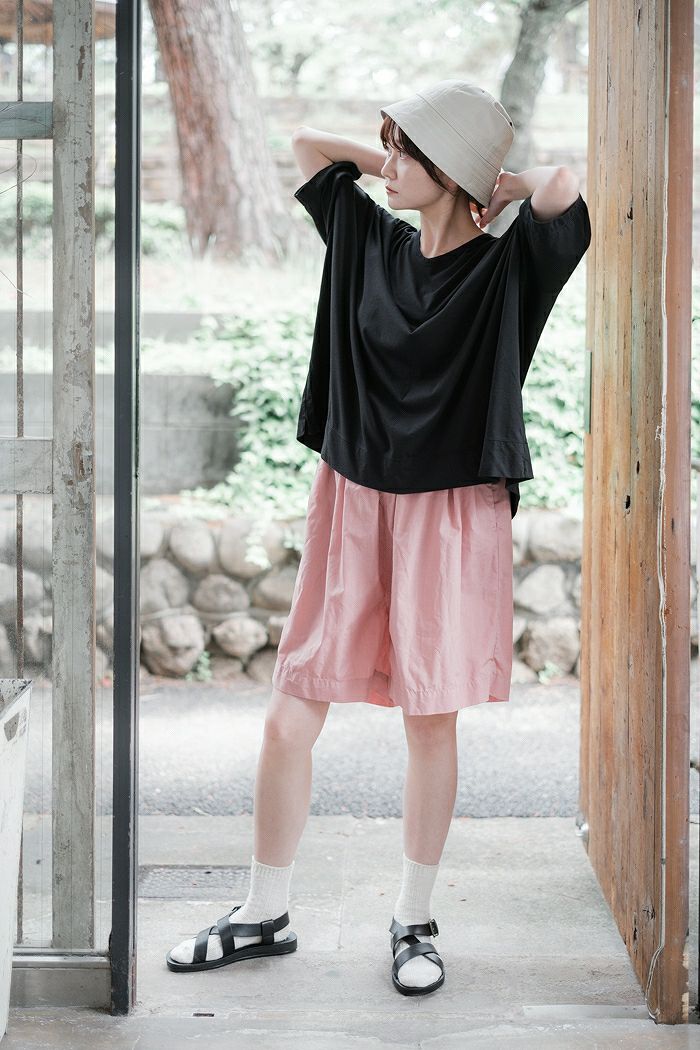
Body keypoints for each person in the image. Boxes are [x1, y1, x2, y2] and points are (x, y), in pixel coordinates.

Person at [166, 79, 592, 996]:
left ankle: (414, 919)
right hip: (354, 498)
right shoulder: (368, 239)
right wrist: (402, 158)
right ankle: (263, 911)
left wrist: (491, 182)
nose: (387, 167)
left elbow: (562, 188)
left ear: (452, 171)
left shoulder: (507, 270)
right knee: (290, 710)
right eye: (390, 150)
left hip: (450, 513)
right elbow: (308, 146)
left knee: (428, 722)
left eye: (406, 153)